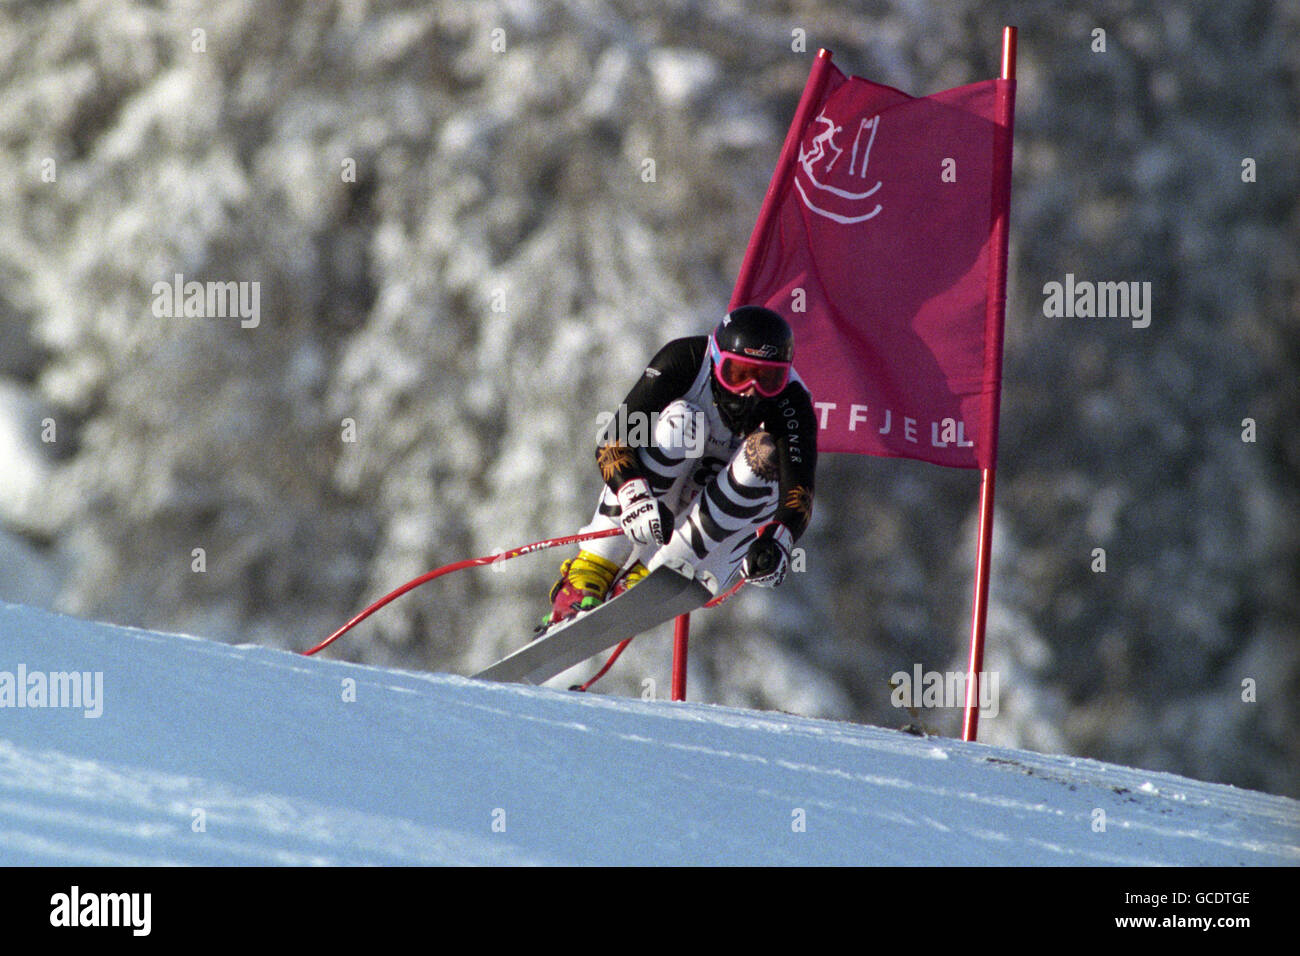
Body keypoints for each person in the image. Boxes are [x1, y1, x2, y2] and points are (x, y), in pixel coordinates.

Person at [541, 305, 818, 629]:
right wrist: (633, 495)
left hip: (716, 532)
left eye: (769, 379)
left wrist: (777, 543)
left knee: (766, 454)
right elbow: (614, 440)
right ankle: (594, 565)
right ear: (716, 360)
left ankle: (659, 574)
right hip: (655, 497)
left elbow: (799, 495)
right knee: (682, 420)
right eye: (738, 374)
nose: (750, 391)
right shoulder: (684, 360)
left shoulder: (794, 402)